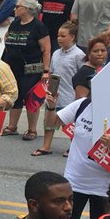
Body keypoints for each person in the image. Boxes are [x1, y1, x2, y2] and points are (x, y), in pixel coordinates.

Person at [56, 77, 110, 219]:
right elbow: (52, 122)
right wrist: (51, 106)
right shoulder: (82, 104)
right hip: (75, 181)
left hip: (103, 186)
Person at [0, 0, 50, 140]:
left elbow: (46, 50)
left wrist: (46, 71)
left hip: (31, 68)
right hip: (13, 66)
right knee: (15, 95)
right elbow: (7, 37)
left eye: (17, 7)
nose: (15, 9)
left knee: (30, 97)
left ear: (27, 9)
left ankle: (32, 130)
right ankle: (12, 126)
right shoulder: (15, 23)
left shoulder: (38, 26)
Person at [35, 22, 86, 156]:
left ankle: (74, 147)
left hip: (70, 95)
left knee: (71, 124)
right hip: (54, 93)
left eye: (63, 36)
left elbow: (83, 76)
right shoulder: (56, 53)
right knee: (48, 121)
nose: (59, 38)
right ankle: (46, 146)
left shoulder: (79, 55)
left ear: (72, 37)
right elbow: (52, 72)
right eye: (58, 35)